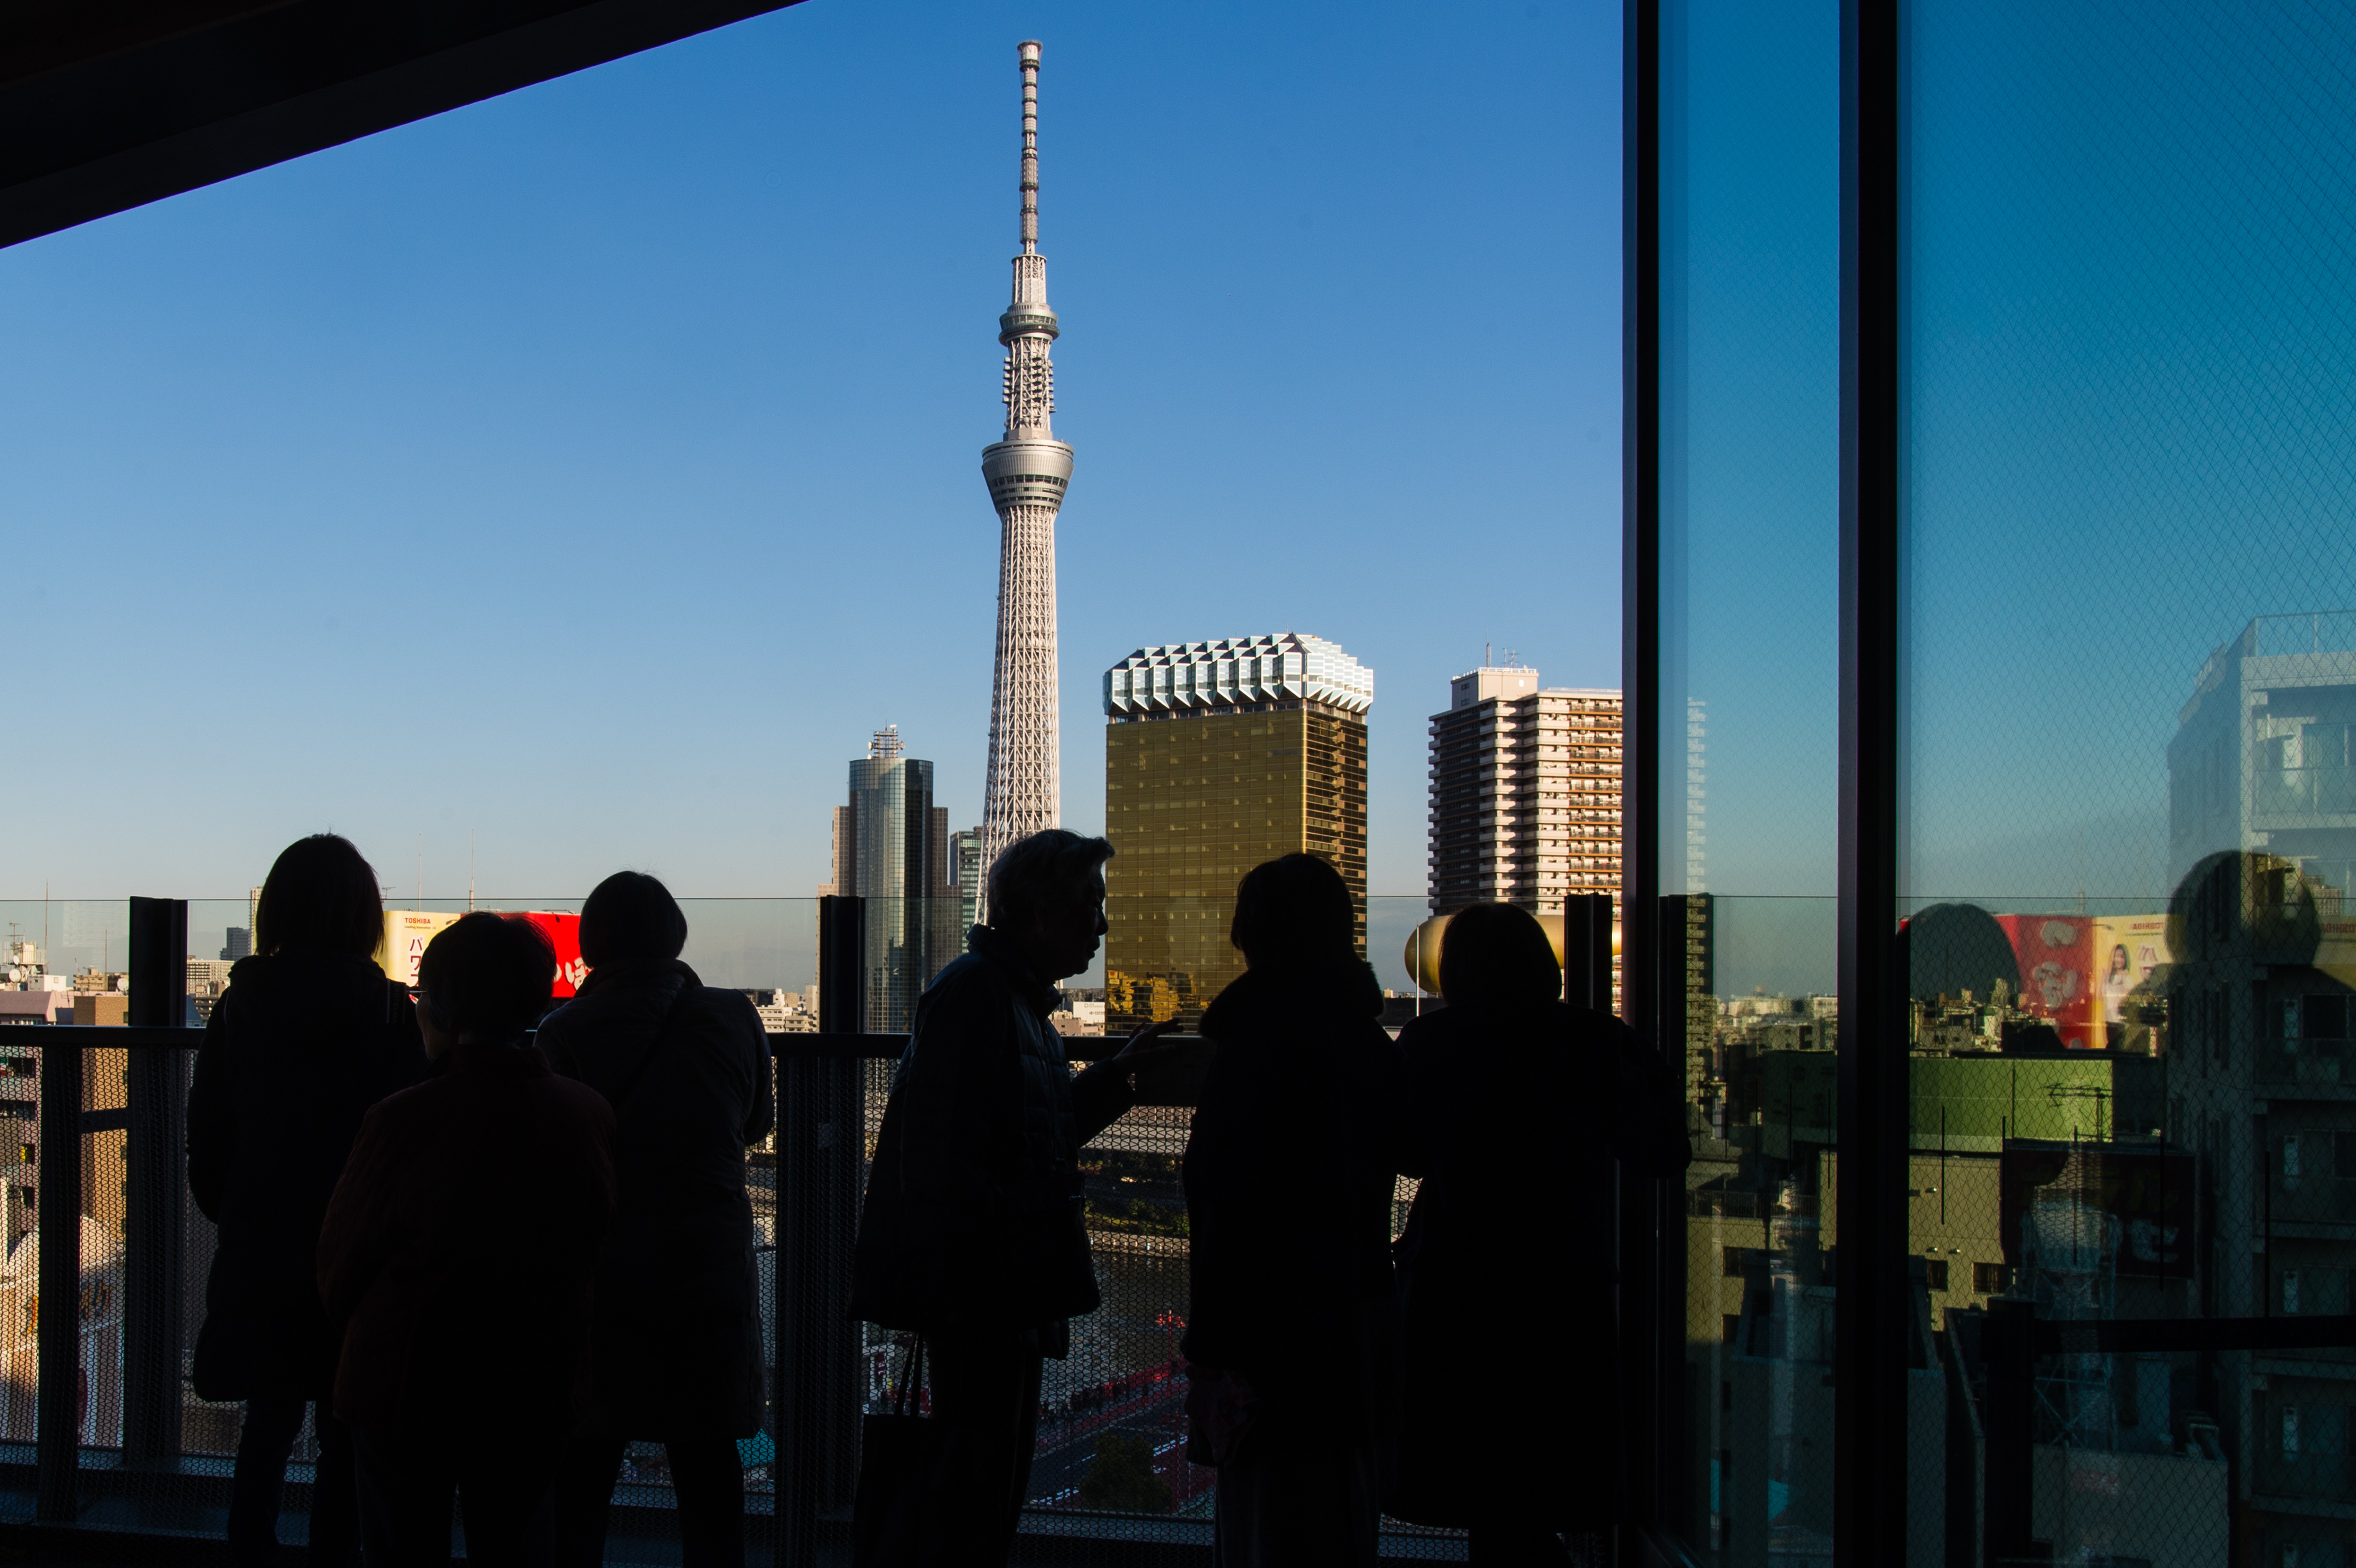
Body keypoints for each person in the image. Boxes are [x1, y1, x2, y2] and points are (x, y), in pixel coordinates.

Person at [849, 828, 1180, 1565]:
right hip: (984, 1296)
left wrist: (1118, 1079)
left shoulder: (1012, 1001)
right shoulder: (978, 994)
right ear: (1039, 911)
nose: (1102, 924)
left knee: (985, 1481)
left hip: (998, 1290)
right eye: (1090, 905)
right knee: (977, 1485)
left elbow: (1029, 1127)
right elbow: (943, 1156)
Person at [1388, 903, 1691, 1563]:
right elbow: (1662, 1153)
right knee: (1542, 1476)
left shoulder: (1429, 1043)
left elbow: (1405, 1152)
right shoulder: (1595, 1041)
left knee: (1479, 1484)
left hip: (1454, 1279)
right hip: (1561, 1281)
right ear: (1543, 966)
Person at [316, 913, 617, 1568]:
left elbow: (340, 1268)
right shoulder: (585, 1115)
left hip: (405, 1384)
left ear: (442, 1007)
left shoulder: (402, 1120)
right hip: (535, 1382)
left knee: (401, 1545)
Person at [187, 834, 428, 1568]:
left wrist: (242, 1211)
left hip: (263, 1241)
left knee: (266, 1422)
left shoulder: (238, 1010)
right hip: (357, 1253)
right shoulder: (391, 1012)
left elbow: (209, 1144)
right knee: (345, 1426)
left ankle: (248, 1550)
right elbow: (408, 1141)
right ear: (366, 916)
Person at [539, 872, 776, 1568]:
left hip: (606, 1269)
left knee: (583, 1464)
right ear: (675, 937)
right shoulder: (734, 1017)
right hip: (708, 1265)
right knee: (707, 1464)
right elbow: (756, 1125)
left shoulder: (564, 1030)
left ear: (589, 944)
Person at [1181, 853, 1407, 1568]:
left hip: (1265, 1341)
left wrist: (1209, 1350)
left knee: (1265, 1519)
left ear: (1251, 936)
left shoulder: (1252, 1047)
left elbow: (1226, 1208)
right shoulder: (1364, 1042)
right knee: (1336, 1516)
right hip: (1350, 1335)